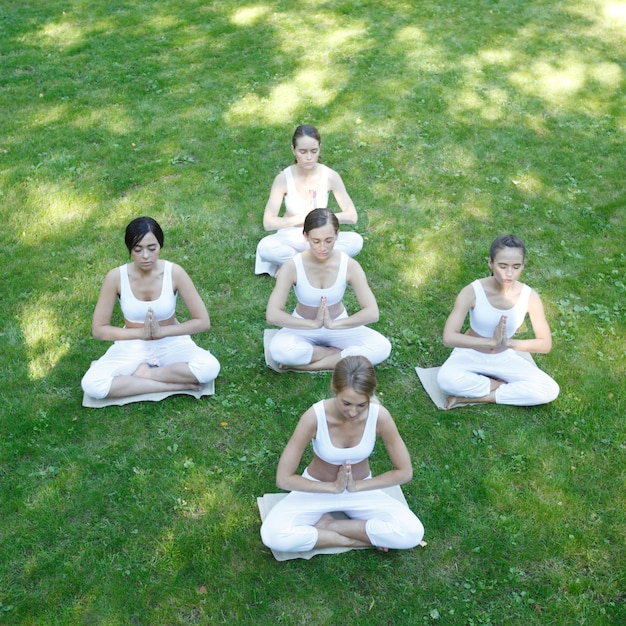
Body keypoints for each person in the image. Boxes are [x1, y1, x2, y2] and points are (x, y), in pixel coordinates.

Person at [260, 355, 424, 553]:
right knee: (273, 535)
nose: (353, 412)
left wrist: (357, 486)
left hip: (361, 491)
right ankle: (357, 540)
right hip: (317, 490)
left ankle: (329, 526)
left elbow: (404, 472)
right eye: (346, 403)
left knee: (412, 533)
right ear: (334, 388)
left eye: (362, 405)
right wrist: (332, 487)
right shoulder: (314, 417)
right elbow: (283, 479)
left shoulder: (380, 416)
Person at [81, 217, 220, 400]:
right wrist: (142, 334)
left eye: (152, 248)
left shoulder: (174, 272)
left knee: (209, 368)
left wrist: (162, 332)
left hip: (170, 341)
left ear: (160, 246)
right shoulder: (116, 277)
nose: (145, 256)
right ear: (130, 250)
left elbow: (203, 322)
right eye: (138, 250)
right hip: (132, 343)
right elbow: (99, 330)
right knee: (92, 385)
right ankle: (168, 386)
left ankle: (147, 375)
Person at [436, 234, 559, 409]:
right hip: (471, 354)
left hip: (503, 356)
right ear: (491, 263)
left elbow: (545, 344)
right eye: (503, 266)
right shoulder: (472, 291)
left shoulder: (529, 296)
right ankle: (500, 386)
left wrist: (506, 343)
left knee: (550, 389)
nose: (509, 273)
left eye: (516, 267)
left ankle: (474, 398)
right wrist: (490, 342)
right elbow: (448, 338)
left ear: (523, 266)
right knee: (445, 380)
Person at [266, 208, 391, 371]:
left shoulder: (349, 266)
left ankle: (309, 367)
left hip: (338, 326)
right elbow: (272, 314)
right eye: (316, 241)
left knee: (382, 347)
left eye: (329, 240)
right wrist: (312, 324)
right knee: (279, 351)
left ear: (337, 235)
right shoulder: (292, 266)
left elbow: (372, 313)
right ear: (305, 236)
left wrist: (334, 324)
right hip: (303, 327)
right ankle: (334, 354)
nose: (322, 247)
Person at [255, 124, 363, 277]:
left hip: (321, 237)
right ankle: (317, 265)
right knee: (265, 247)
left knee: (356, 241)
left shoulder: (330, 176)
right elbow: (268, 222)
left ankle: (296, 266)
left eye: (314, 151)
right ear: (293, 150)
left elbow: (352, 216)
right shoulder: (283, 178)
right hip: (292, 236)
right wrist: (303, 218)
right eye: (303, 152)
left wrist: (320, 217)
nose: (309, 157)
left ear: (320, 148)